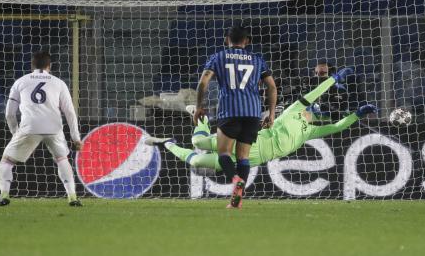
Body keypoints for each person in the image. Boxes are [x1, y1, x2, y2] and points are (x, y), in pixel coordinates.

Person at [146, 67, 377, 206]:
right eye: (313, 107)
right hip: (246, 142)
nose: (313, 110)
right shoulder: (294, 109)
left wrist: (356, 115)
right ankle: (201, 118)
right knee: (198, 142)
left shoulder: (312, 131)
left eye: (317, 111)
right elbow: (314, 93)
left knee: (196, 161)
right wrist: (334, 79)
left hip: (254, 157)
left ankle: (168, 143)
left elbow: (337, 126)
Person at [193, 25, 277, 208]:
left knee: (223, 153)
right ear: (247, 41)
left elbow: (203, 82)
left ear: (226, 39)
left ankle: (235, 178)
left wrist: (199, 107)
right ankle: (236, 201)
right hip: (253, 113)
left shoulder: (218, 57)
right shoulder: (257, 59)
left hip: (230, 111)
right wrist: (271, 113)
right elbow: (271, 86)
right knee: (243, 158)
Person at [0, 51, 83, 207]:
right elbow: (70, 113)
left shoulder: (20, 82)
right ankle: (72, 197)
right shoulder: (59, 83)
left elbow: (9, 113)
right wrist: (76, 138)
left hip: (29, 127)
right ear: (49, 66)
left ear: (32, 65)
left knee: (7, 161)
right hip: (54, 128)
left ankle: (4, 195)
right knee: (62, 159)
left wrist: (15, 133)